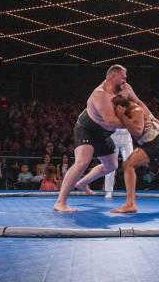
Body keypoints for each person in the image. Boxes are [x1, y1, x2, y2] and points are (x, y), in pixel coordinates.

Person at [53, 65, 151, 212]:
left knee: (111, 166)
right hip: (87, 129)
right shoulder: (100, 94)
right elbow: (110, 120)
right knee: (82, 162)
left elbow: (138, 102)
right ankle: (60, 202)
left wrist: (150, 117)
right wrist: (135, 125)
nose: (126, 79)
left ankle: (81, 183)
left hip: (103, 133)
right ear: (112, 76)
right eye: (123, 77)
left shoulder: (125, 88)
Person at [104, 128, 134, 198]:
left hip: (127, 139)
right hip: (113, 138)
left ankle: (131, 191)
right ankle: (108, 191)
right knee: (110, 167)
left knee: (130, 165)